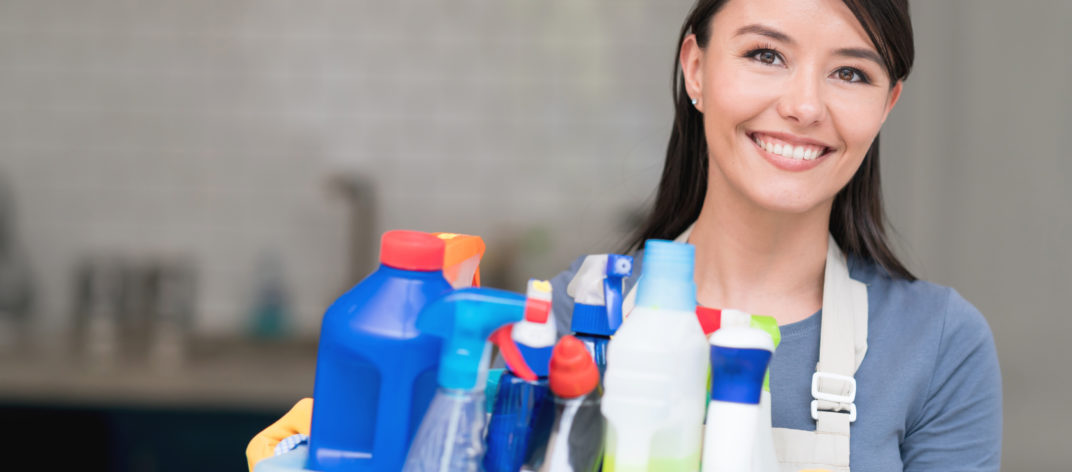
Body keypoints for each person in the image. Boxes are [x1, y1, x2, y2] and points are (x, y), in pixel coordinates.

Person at [248, 0, 1002, 470]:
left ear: (888, 103)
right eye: (765, 54)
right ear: (696, 69)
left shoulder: (935, 345)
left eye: (851, 73)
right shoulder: (570, 322)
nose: (804, 106)